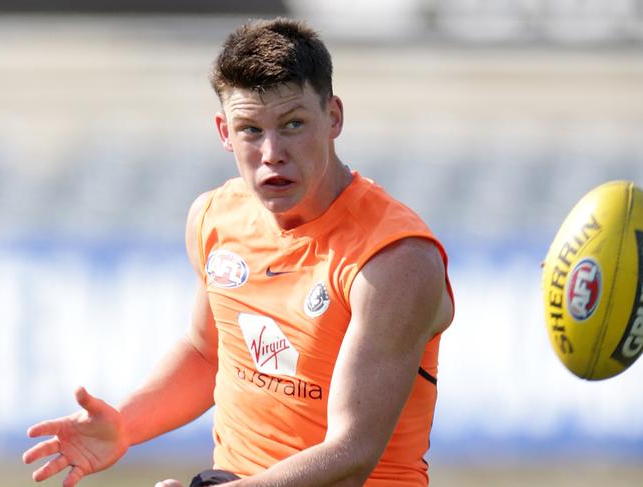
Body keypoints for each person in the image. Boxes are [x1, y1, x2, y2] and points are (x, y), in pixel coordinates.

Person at [22, 17, 454, 487]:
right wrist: (125, 425)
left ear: (333, 117)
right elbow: (209, 354)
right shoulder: (214, 217)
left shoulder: (394, 259)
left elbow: (350, 457)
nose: (272, 152)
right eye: (250, 129)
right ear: (224, 132)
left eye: (293, 124)